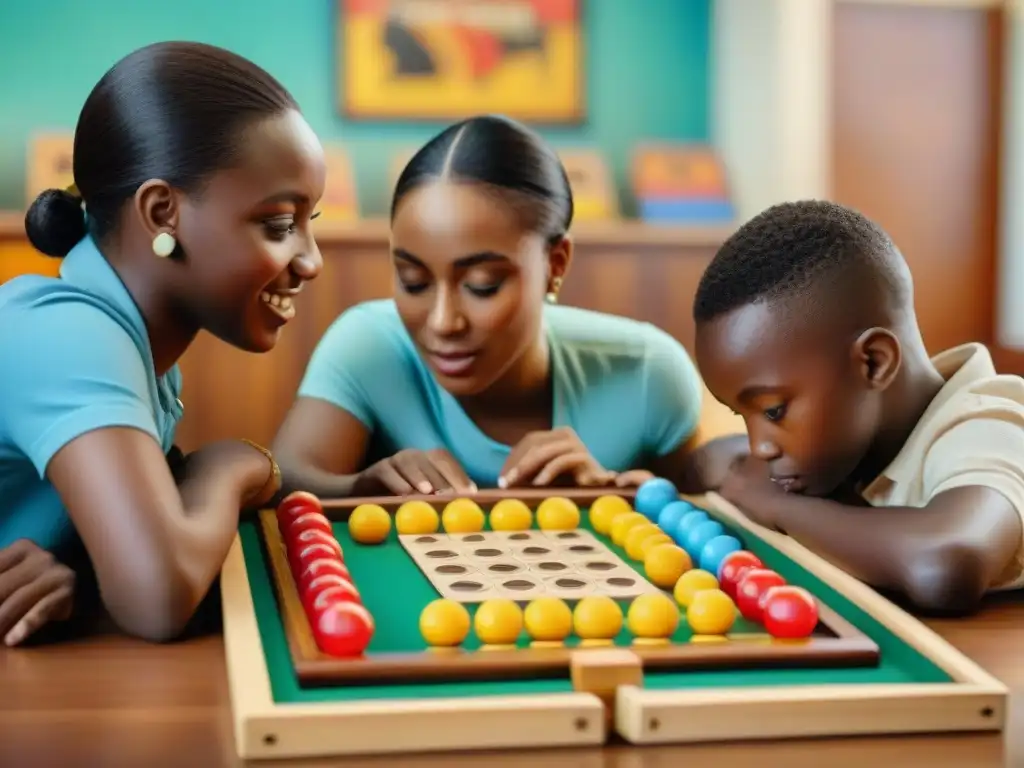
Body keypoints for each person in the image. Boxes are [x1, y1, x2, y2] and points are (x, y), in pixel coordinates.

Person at [0, 42, 326, 646]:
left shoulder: (138, 347)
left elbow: (136, 550)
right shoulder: (71, 335)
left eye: (312, 223)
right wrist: (231, 464)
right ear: (162, 211)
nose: (310, 260)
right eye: (280, 224)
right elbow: (157, 595)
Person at [273, 115, 743, 498]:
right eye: (413, 281)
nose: (443, 322)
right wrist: (360, 485)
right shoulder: (368, 344)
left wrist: (626, 496)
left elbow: (711, 496)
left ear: (555, 263)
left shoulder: (646, 371)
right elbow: (286, 480)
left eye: (482, 285)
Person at [692, 199, 1024, 614]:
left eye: (774, 411)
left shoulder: (988, 426)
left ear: (873, 363)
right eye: (744, 416)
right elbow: (722, 458)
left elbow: (943, 564)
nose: (762, 446)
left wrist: (779, 507)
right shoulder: (853, 442)